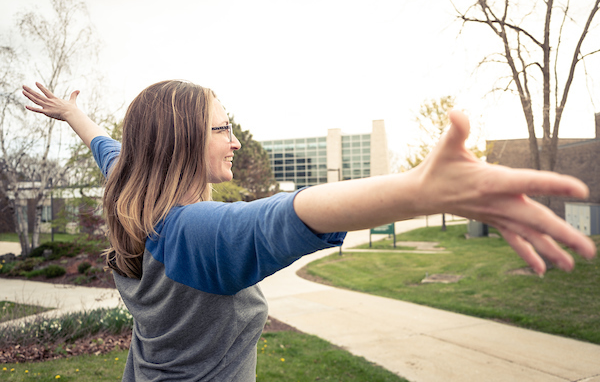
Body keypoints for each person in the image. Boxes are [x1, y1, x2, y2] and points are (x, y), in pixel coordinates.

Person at [22, 80, 596, 381]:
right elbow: (287, 214)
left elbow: (111, 150)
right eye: (223, 128)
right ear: (180, 144)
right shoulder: (191, 232)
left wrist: (74, 115)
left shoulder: (132, 196)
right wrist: (418, 190)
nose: (235, 139)